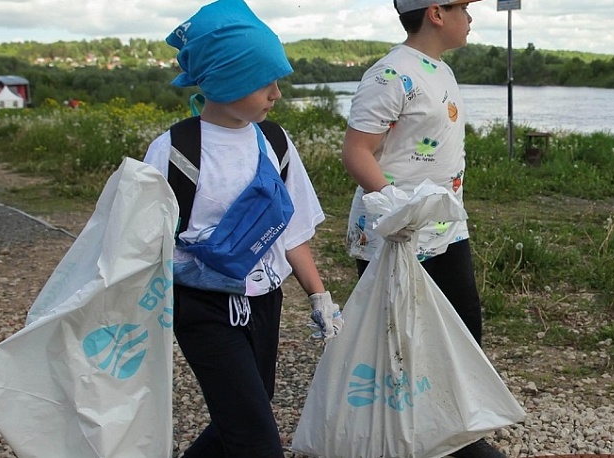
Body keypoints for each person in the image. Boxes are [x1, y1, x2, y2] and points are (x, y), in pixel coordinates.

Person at [143, 1, 343, 456]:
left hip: (264, 300)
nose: (276, 94)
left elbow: (290, 231)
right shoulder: (174, 151)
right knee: (256, 437)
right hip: (203, 305)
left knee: (247, 412)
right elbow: (139, 245)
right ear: (226, 79)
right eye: (263, 83)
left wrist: (319, 296)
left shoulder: (275, 142)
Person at [341, 1, 506, 457]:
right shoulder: (389, 74)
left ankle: (453, 432)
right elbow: (356, 152)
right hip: (396, 237)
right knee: (399, 343)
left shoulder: (441, 70)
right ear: (436, 12)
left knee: (462, 330)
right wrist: (397, 209)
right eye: (464, 7)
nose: (470, 16)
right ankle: (400, 437)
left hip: (446, 230)